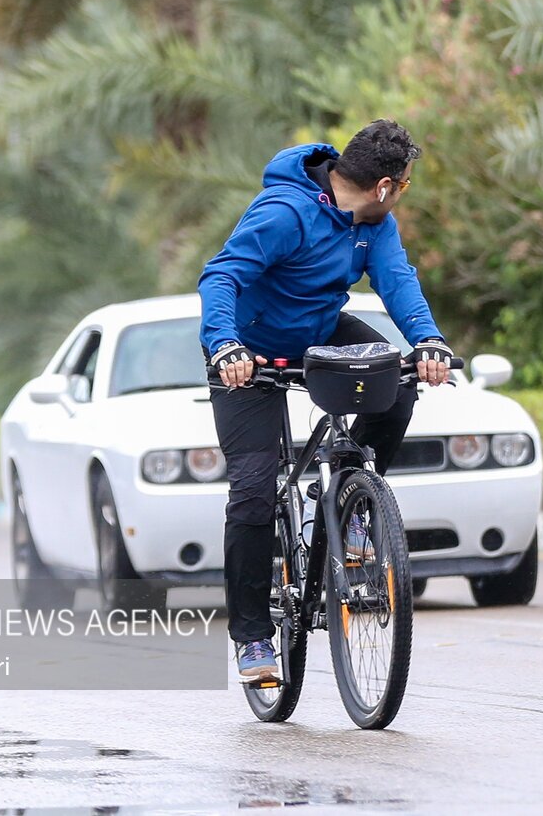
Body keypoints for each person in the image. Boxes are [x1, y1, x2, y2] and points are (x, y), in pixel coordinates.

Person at [198, 120, 455, 682]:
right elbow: (221, 276)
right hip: (248, 353)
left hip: (317, 332)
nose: (401, 196)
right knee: (253, 492)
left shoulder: (374, 224)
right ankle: (252, 639)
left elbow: (398, 281)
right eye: (404, 186)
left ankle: (349, 499)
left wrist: (428, 341)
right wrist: (225, 346)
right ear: (384, 185)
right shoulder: (285, 213)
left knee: (395, 379)